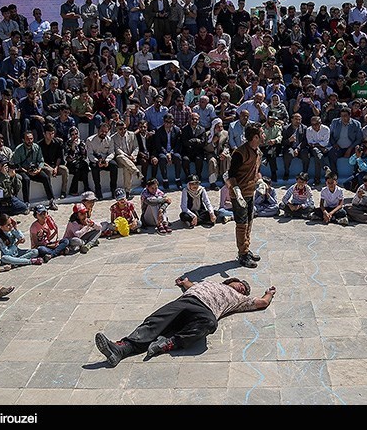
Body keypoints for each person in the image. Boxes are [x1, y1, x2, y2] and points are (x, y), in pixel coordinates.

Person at [94, 276, 276, 367]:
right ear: (230, 281)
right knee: (155, 323)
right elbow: (189, 285)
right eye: (240, 284)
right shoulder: (209, 283)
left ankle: (170, 343)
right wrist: (184, 282)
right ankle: (120, 349)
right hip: (186, 301)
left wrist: (269, 293)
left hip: (206, 311)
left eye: (244, 289)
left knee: (210, 324)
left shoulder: (238, 299)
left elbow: (261, 303)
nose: (241, 288)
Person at [227, 123, 264, 268]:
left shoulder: (258, 152)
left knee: (249, 221)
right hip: (239, 194)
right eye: (261, 133)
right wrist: (237, 192)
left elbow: (256, 171)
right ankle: (242, 254)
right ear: (255, 137)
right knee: (242, 224)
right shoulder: (239, 153)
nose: (263, 135)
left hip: (250, 192)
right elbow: (230, 176)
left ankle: (246, 248)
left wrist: (260, 181)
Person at [86, 122, 118, 199]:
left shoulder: (109, 140)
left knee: (114, 166)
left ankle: (113, 189)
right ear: (98, 130)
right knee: (94, 168)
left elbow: (112, 152)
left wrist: (107, 160)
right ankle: (98, 190)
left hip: (106, 160)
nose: (104, 133)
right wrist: (97, 161)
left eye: (106, 132)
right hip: (95, 160)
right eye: (102, 131)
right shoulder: (90, 140)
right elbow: (90, 154)